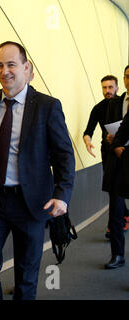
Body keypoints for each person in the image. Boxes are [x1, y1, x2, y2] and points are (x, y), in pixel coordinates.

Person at [0, 41, 75, 300]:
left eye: (11, 64)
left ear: (27, 68)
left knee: (26, 276)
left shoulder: (48, 106)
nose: (5, 71)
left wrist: (62, 194)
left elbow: (64, 155)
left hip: (32, 203)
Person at [83, 75, 128, 238]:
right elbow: (88, 131)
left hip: (124, 150)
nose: (107, 91)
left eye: (110, 87)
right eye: (104, 88)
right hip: (108, 152)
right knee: (114, 189)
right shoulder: (98, 108)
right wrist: (87, 142)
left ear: (117, 87)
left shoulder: (123, 105)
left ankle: (120, 219)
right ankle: (118, 221)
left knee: (120, 188)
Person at [101, 65, 129, 269]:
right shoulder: (115, 104)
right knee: (116, 213)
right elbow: (107, 135)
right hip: (118, 163)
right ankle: (117, 255)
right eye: (127, 77)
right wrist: (111, 140)